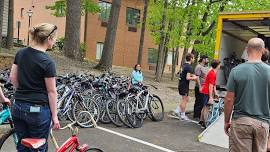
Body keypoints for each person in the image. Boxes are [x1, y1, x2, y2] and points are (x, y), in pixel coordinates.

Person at [9, 23, 60, 152]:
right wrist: (55, 116)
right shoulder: (47, 62)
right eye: (54, 39)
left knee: (23, 145)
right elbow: (51, 91)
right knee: (38, 147)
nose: (54, 41)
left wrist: (24, 91)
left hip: (18, 106)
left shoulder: (20, 53)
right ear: (49, 39)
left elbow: (13, 78)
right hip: (37, 110)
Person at [224, 38, 270, 152]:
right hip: (263, 124)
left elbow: (229, 99)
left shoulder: (236, 71)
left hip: (241, 122)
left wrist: (226, 121)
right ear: (263, 50)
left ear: (247, 49)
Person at [173, 53, 199, 120]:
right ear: (190, 58)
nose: (194, 59)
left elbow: (184, 74)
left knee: (186, 99)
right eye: (193, 58)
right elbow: (187, 77)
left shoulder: (184, 65)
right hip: (184, 85)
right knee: (184, 100)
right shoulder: (189, 67)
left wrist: (193, 75)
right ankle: (183, 115)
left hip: (181, 84)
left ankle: (177, 110)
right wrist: (195, 78)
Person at [199, 60, 221, 128]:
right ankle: (205, 123)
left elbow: (213, 84)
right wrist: (211, 97)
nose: (220, 66)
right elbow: (210, 86)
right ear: (217, 66)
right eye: (219, 65)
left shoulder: (213, 72)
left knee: (205, 106)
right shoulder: (212, 74)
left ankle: (201, 121)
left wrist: (216, 92)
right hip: (206, 92)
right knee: (207, 107)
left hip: (205, 91)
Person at [193, 55, 209, 119]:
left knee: (202, 101)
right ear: (203, 59)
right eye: (207, 59)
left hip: (204, 87)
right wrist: (200, 87)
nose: (207, 61)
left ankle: (200, 115)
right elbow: (197, 77)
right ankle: (196, 115)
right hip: (199, 87)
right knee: (198, 101)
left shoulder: (205, 67)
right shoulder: (198, 67)